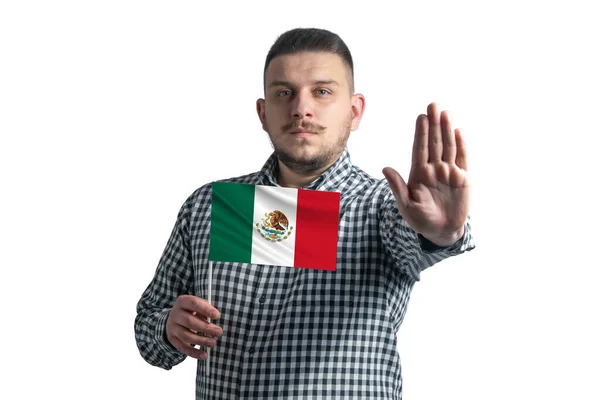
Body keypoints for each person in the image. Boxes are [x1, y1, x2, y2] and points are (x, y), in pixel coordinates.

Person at [135, 27, 475, 399]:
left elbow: (418, 243)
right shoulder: (210, 206)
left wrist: (442, 232)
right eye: (284, 93)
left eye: (322, 91)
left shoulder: (383, 209)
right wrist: (168, 326)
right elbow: (149, 328)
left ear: (355, 110)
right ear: (263, 112)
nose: (301, 108)